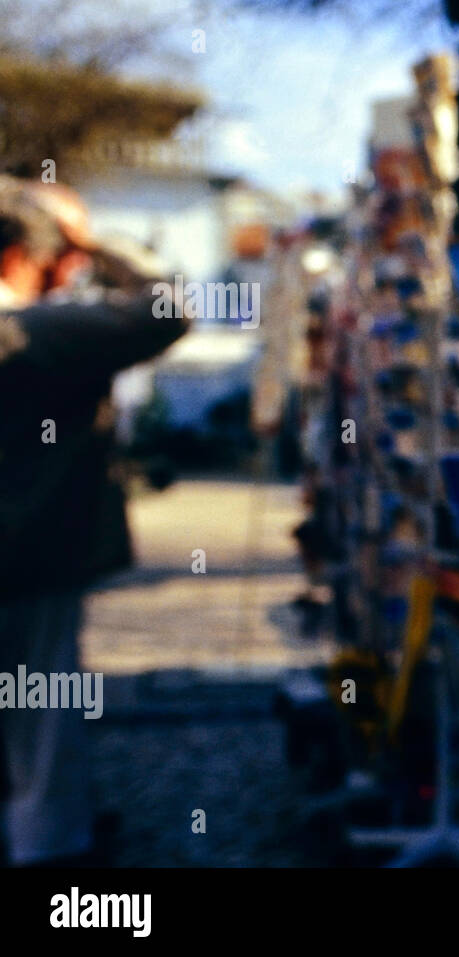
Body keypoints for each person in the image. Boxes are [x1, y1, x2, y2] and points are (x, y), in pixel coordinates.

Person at [0, 178, 189, 865]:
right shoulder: (38, 331)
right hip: (32, 566)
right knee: (43, 733)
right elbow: (168, 308)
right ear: (31, 254)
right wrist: (96, 241)